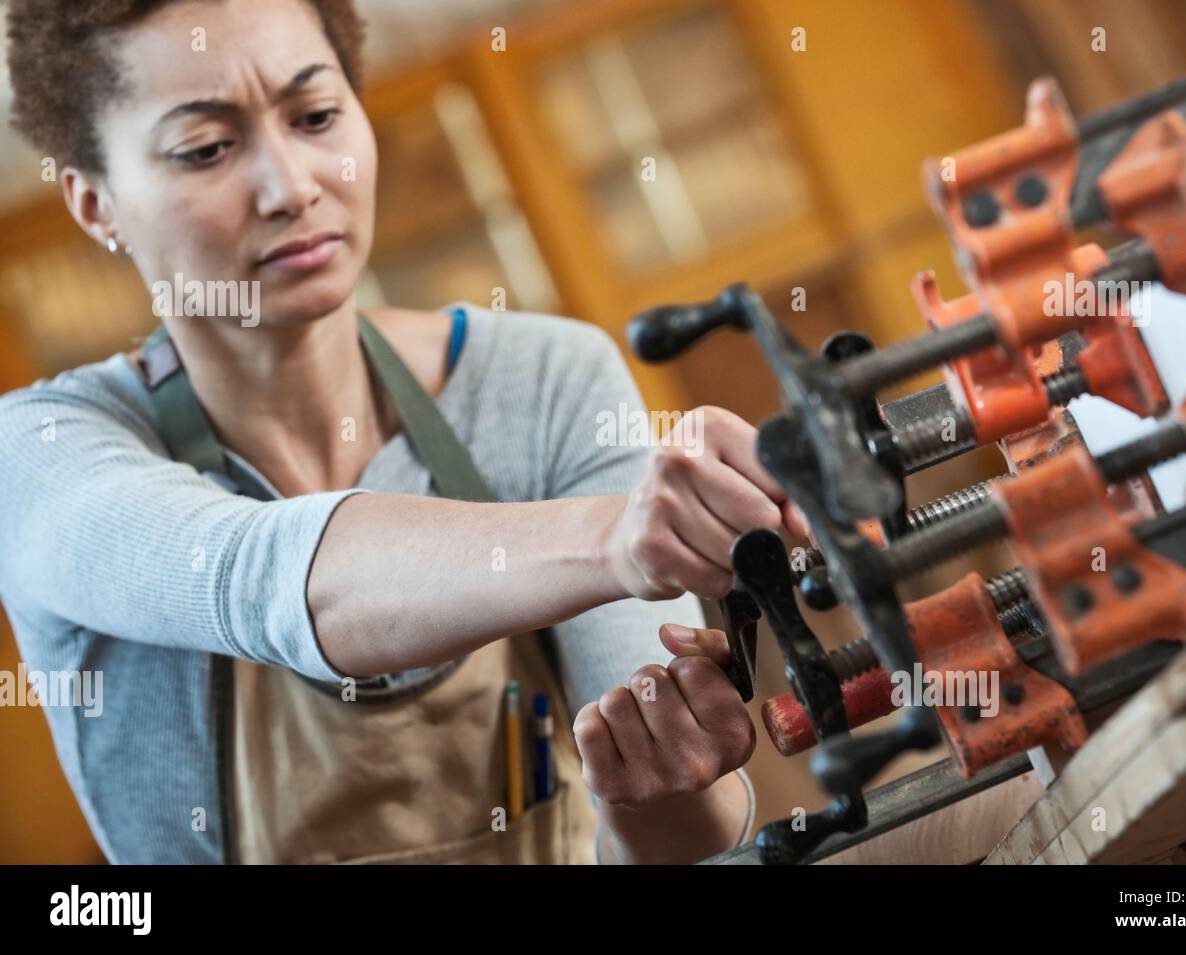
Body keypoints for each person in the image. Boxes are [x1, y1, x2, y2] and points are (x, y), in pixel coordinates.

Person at [0, 0, 807, 863]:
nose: (292, 186)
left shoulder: (542, 378)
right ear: (96, 204)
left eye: (316, 117)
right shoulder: (40, 452)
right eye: (206, 149)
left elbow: (679, 830)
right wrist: (613, 540)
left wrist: (655, 786)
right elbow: (256, 577)